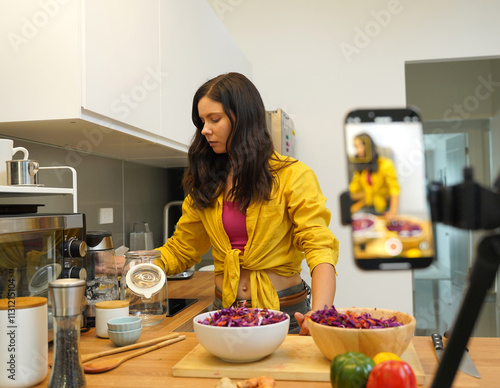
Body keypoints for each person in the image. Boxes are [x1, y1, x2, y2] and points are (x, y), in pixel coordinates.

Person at [155, 72, 339, 335]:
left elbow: (320, 248)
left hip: (285, 314)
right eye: (202, 121)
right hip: (224, 313)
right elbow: (182, 250)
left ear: (242, 118)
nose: (205, 129)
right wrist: (132, 264)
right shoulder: (207, 181)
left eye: (214, 119)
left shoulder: (293, 176)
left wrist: (320, 313)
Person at [348, 133, 400, 218]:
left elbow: (394, 188)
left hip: (384, 208)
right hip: (367, 207)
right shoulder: (361, 169)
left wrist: (393, 211)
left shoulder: (386, 164)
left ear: (369, 147)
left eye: (360, 146)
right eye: (355, 147)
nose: (358, 151)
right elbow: (353, 190)